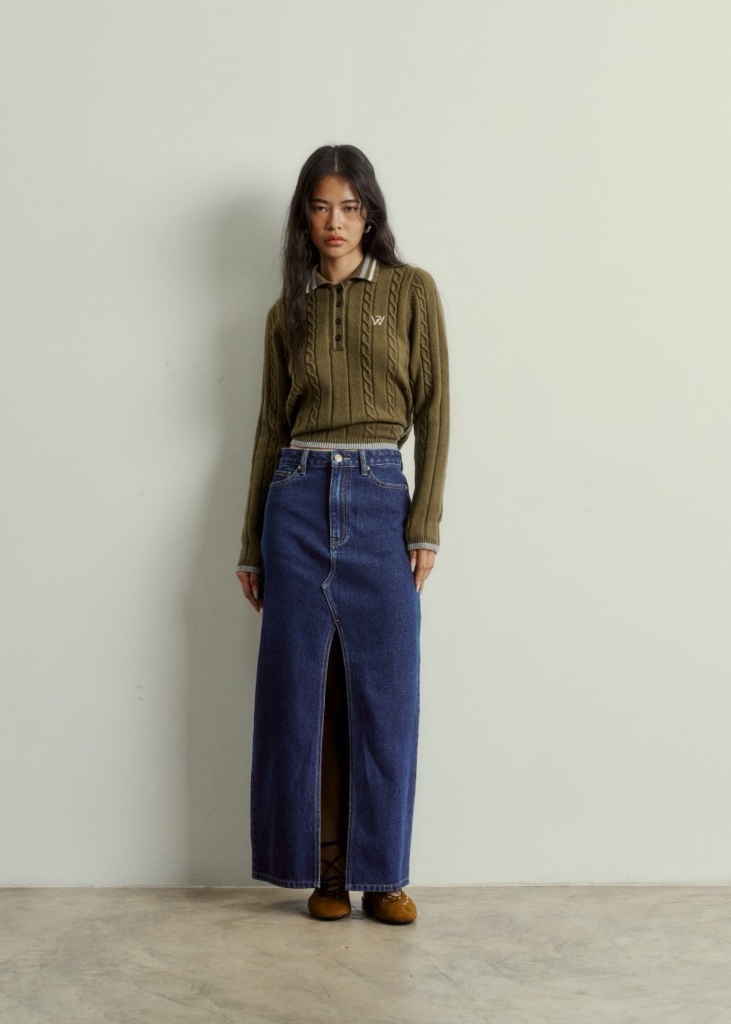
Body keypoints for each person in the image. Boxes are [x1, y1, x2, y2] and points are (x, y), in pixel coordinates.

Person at [236, 144, 449, 924]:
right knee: (304, 697)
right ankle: (326, 871)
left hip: (379, 497)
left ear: (370, 213)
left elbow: (436, 410)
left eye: (350, 207)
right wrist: (251, 542)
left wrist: (424, 522)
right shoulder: (285, 315)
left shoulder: (411, 290)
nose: (336, 222)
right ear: (305, 216)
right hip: (294, 499)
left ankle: (383, 874)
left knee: (384, 695)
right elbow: (269, 429)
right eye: (322, 207)